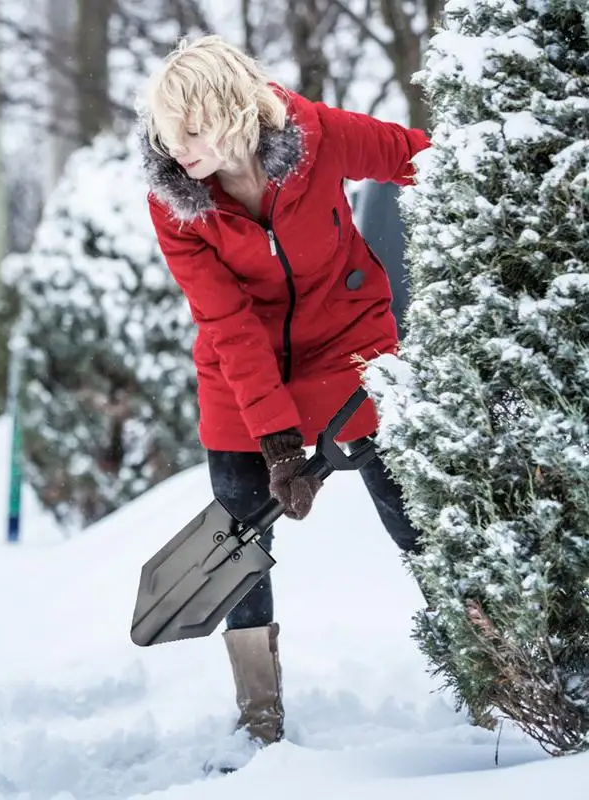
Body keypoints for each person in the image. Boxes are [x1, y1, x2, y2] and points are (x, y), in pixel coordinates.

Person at [138, 35, 431, 748]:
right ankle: (259, 717)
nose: (182, 154)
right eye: (171, 140)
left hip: (348, 343)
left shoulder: (317, 136)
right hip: (243, 366)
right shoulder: (178, 204)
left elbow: (416, 157)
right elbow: (227, 323)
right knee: (242, 523)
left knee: (409, 505)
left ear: (234, 111)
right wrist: (276, 445)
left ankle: (489, 664)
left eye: (195, 133)